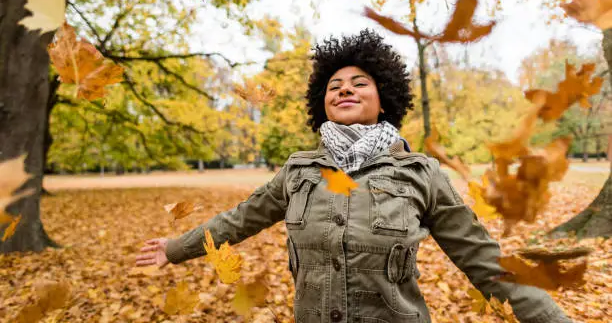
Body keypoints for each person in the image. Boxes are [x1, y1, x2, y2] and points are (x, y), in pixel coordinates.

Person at [136, 29, 572, 322]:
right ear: (321, 102)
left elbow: (487, 265)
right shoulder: (298, 170)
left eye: (360, 82)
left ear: (384, 100)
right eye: (334, 85)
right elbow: (238, 219)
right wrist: (176, 248)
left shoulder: (421, 174)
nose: (344, 88)